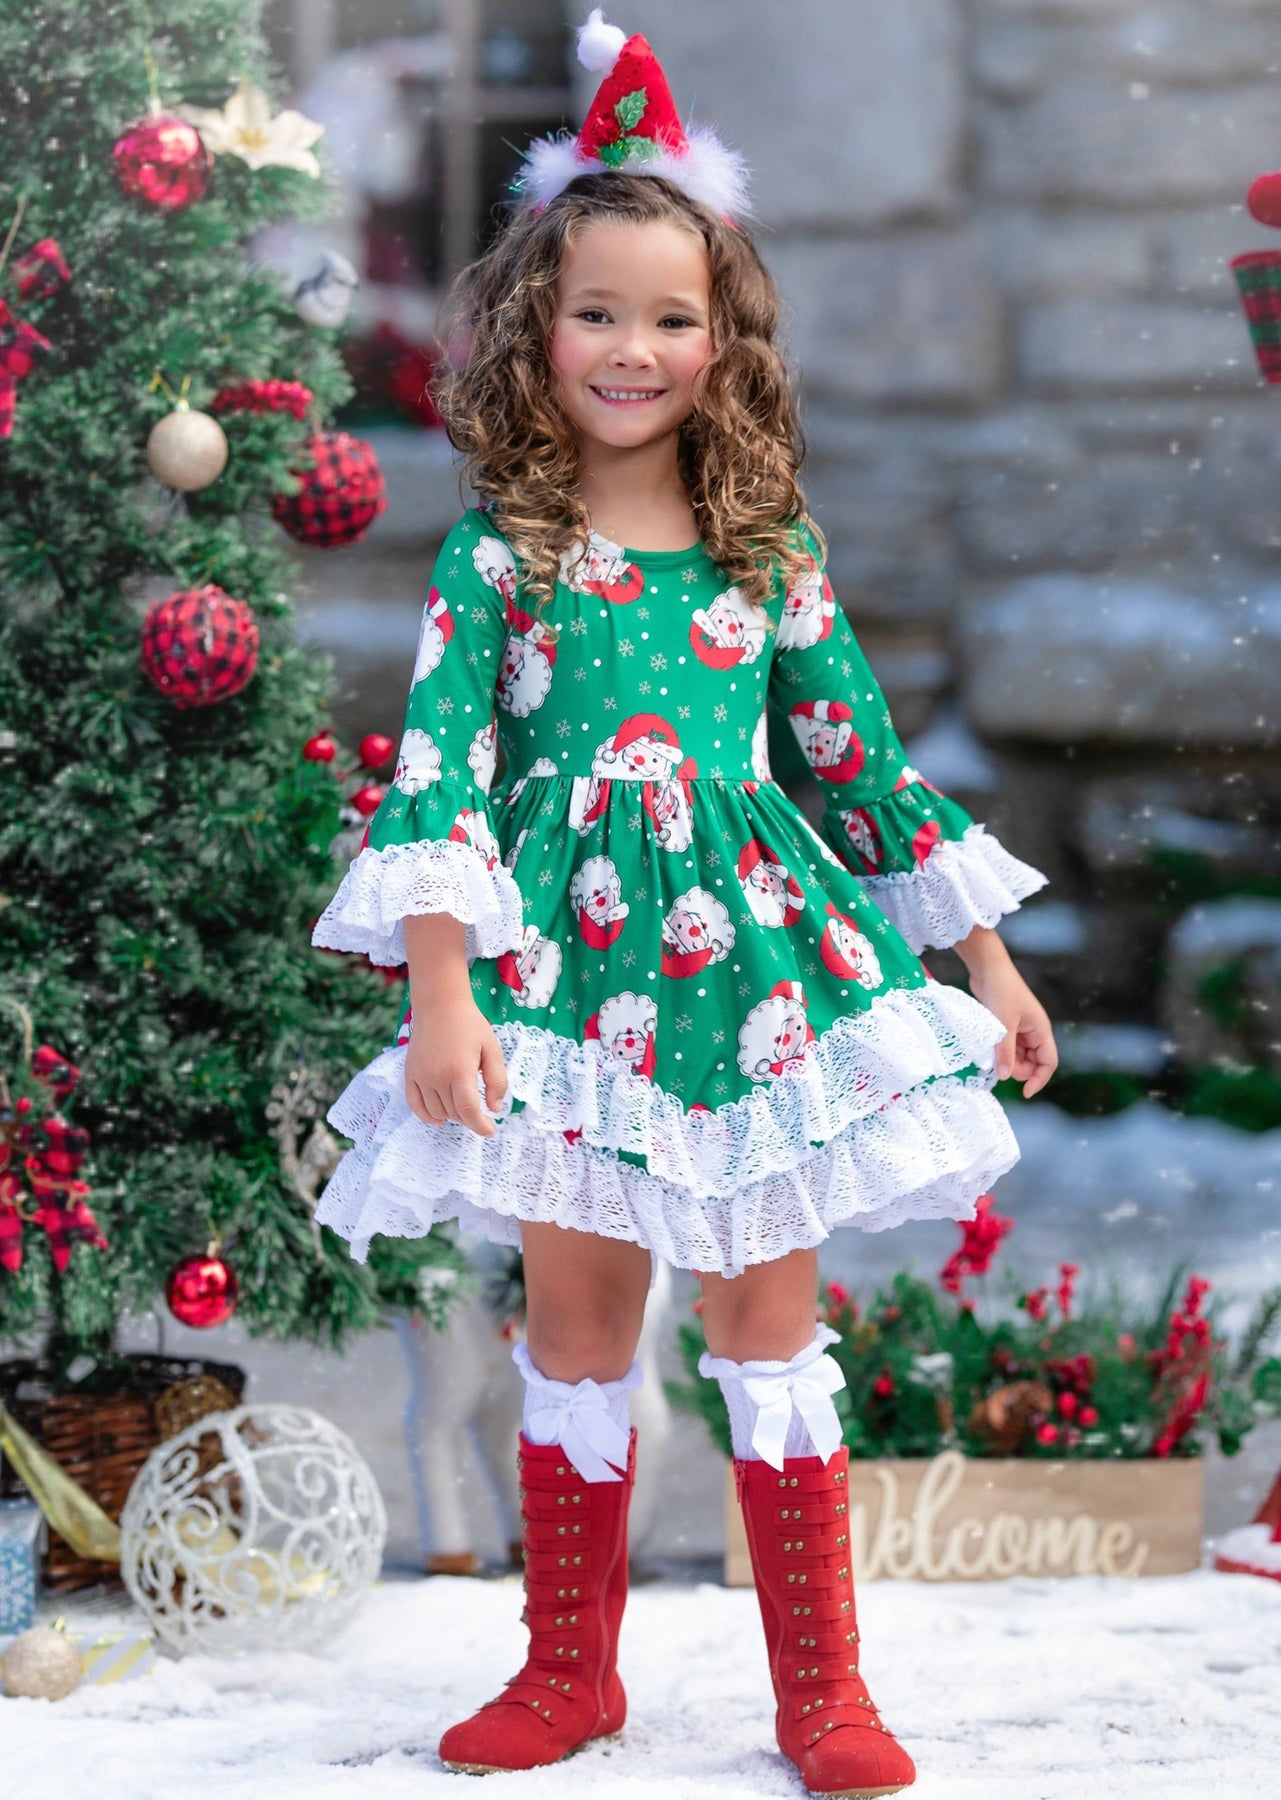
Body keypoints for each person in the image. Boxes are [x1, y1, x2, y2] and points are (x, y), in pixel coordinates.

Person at [313, 11, 1058, 1794]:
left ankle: (825, 1691)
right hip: (563, 991)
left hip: (759, 992)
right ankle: (565, 1670)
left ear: (722, 342)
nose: (632, 350)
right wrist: (442, 994)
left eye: (670, 318)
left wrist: (985, 957)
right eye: (597, 313)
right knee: (578, 1326)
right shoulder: (503, 554)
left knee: (762, 1325)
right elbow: (440, 779)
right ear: (536, 327)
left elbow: (859, 766)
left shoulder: (767, 553)